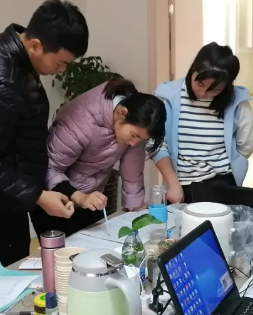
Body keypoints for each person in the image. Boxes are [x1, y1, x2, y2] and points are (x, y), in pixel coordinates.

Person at [0, 0, 88, 271]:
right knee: (6, 279)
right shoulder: (0, 78)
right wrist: (37, 196)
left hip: (5, 197)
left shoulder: (15, 56)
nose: (62, 70)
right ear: (35, 45)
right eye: (61, 63)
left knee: (17, 269)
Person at [44, 79, 166, 236]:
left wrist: (136, 208)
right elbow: (49, 169)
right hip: (54, 199)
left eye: (140, 139)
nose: (133, 143)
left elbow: (132, 172)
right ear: (122, 113)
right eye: (134, 135)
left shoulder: (137, 128)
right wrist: (79, 197)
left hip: (90, 199)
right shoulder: (80, 122)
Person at [153, 42, 253, 204]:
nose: (203, 93)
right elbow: (157, 143)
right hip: (180, 185)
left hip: (222, 184)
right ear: (193, 69)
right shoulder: (169, 97)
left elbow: (247, 143)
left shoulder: (237, 102)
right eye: (200, 84)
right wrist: (173, 183)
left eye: (214, 89)